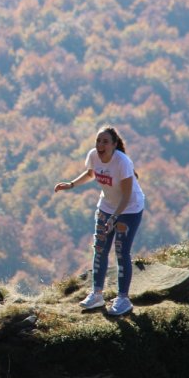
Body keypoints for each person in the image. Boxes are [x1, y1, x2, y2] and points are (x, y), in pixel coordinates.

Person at [54, 126, 145, 316]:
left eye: (105, 141)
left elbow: (127, 195)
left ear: (114, 145)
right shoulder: (93, 156)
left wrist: (114, 218)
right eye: (98, 141)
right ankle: (96, 294)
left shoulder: (122, 162)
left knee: (121, 251)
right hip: (106, 206)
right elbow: (90, 173)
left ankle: (123, 299)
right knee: (100, 249)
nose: (100, 145)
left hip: (129, 209)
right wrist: (71, 184)